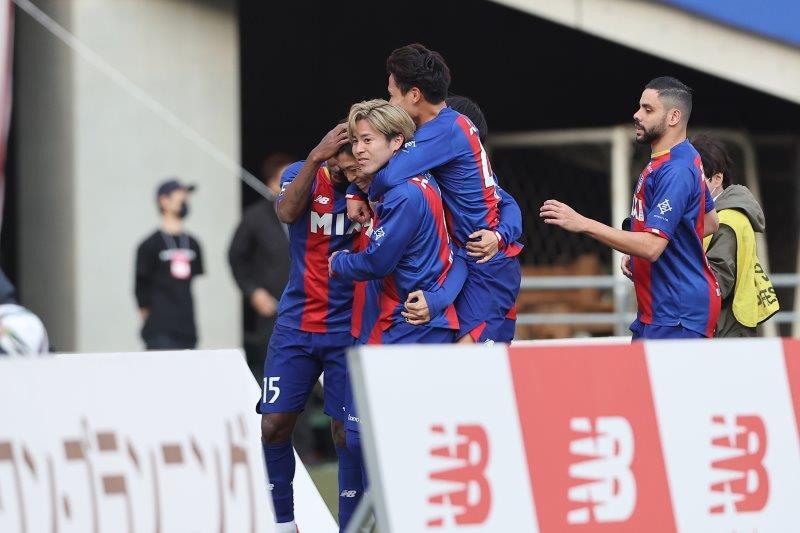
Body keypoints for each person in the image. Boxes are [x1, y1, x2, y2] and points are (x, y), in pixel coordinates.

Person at [330, 99, 469, 507]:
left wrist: (338, 262)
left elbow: (377, 262)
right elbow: (456, 255)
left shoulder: (404, 194)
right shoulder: (408, 184)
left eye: (367, 140)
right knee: (362, 438)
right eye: (356, 141)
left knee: (374, 439)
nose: (358, 150)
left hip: (408, 328)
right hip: (398, 326)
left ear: (396, 143)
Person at [347, 44, 523, 344]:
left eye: (392, 95)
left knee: (467, 364)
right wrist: (355, 190)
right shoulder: (444, 131)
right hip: (465, 262)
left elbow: (388, 175)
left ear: (414, 95)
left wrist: (500, 235)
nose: (390, 103)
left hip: (486, 265)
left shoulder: (444, 131)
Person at [540, 76, 721, 340]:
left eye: (648, 110)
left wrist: (583, 223)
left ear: (673, 117)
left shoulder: (676, 170)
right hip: (661, 310)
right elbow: (710, 221)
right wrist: (640, 251)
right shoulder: (682, 155)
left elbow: (652, 247)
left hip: (678, 313)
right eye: (639, 107)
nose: (637, 115)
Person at [258, 124, 363, 533]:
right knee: (274, 425)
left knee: (346, 434)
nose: (347, 173)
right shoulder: (301, 172)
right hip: (296, 325)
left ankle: (350, 526)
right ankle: (285, 524)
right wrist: (317, 156)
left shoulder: (373, 183)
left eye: (354, 167)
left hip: (348, 328)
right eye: (342, 164)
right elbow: (286, 213)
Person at [693, 134, 779, 336]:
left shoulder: (727, 221)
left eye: (695, 177)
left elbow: (717, 285)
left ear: (717, 178)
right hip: (729, 324)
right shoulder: (723, 214)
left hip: (727, 329)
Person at [228, 152, 293, 379]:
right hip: (272, 311)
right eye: (286, 180)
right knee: (273, 374)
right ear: (271, 184)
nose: (292, 186)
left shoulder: (311, 215)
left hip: (307, 308)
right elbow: (236, 257)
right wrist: (253, 291)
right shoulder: (255, 217)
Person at [134, 179, 204, 349]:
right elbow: (140, 288)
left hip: (188, 330)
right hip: (159, 331)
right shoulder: (149, 244)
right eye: (179, 194)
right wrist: (150, 320)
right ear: (164, 201)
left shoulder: (193, 243)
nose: (184, 199)